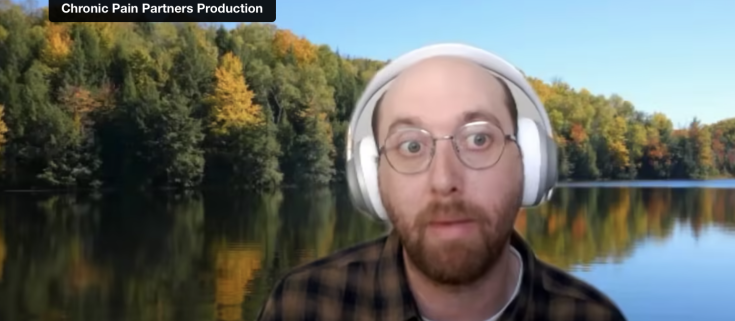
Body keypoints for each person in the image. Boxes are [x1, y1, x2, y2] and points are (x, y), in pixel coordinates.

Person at [256, 44, 626, 321]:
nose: (445, 180)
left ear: (529, 164)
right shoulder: (304, 305)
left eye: (479, 139)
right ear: (372, 179)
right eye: (412, 146)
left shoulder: (591, 317)